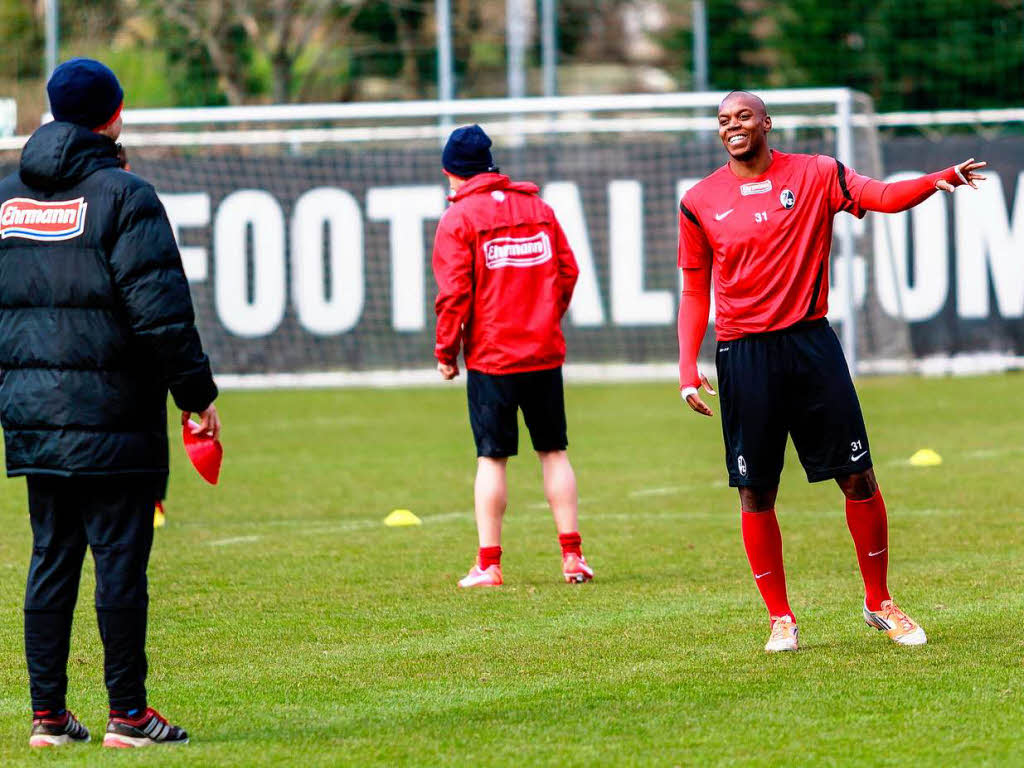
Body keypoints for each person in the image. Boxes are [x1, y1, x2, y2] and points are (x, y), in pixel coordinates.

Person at [677, 91, 985, 652]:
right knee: (755, 491)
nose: (733, 126)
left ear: (767, 122)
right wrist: (685, 369)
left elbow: (884, 197)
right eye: (724, 120)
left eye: (743, 116)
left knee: (858, 476)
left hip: (812, 346)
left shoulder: (818, 174)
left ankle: (879, 602)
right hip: (743, 354)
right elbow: (695, 289)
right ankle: (780, 619)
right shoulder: (699, 200)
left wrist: (938, 179)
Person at [0, 58, 221, 746]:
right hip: (114, 415)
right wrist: (198, 398)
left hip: (33, 414)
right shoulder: (126, 196)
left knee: (51, 557)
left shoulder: (8, 199)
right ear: (114, 114)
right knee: (119, 560)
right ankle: (128, 713)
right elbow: (161, 316)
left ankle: (48, 717)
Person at [432, 124, 591, 588]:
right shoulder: (537, 208)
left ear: (453, 174)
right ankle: (573, 557)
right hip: (543, 353)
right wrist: (547, 317)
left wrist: (446, 351)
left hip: (493, 358)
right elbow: (568, 270)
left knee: (492, 458)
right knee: (554, 452)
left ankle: (490, 563)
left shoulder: (459, 219)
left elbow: (453, 294)